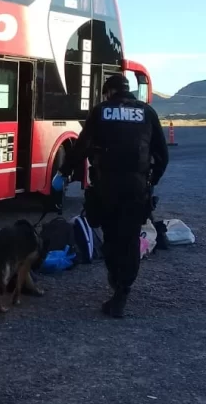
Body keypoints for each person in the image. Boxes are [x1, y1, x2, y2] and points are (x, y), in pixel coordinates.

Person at [53, 73, 168, 318]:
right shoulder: (147, 112)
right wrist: (150, 181)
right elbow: (162, 155)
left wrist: (63, 172)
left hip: (107, 187)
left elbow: (81, 147)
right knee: (129, 239)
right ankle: (123, 289)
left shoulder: (101, 111)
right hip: (136, 188)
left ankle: (116, 282)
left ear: (108, 92)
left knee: (111, 235)